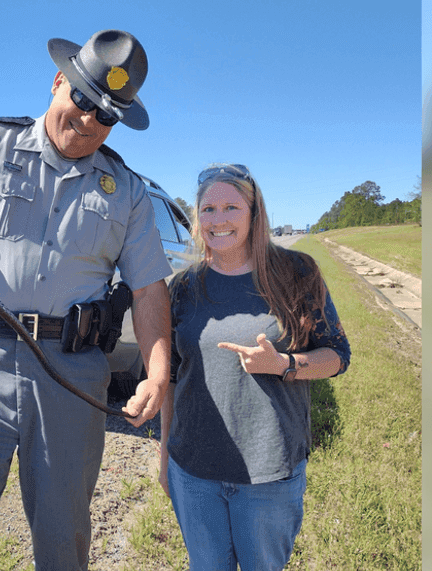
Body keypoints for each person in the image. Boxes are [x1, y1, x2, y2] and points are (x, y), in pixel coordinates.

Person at [0, 30, 172, 571]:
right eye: (84, 100)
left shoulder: (129, 192)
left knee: (64, 544)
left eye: (107, 115)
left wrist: (157, 374)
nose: (89, 121)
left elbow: (148, 290)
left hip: (71, 378)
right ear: (58, 80)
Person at [159, 163, 351, 570]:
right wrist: (165, 461)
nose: (219, 219)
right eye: (208, 209)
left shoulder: (297, 273)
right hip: (194, 473)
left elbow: (337, 356)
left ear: (254, 213)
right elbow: (172, 380)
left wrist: (284, 364)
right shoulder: (183, 288)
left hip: (269, 475)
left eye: (231, 207)